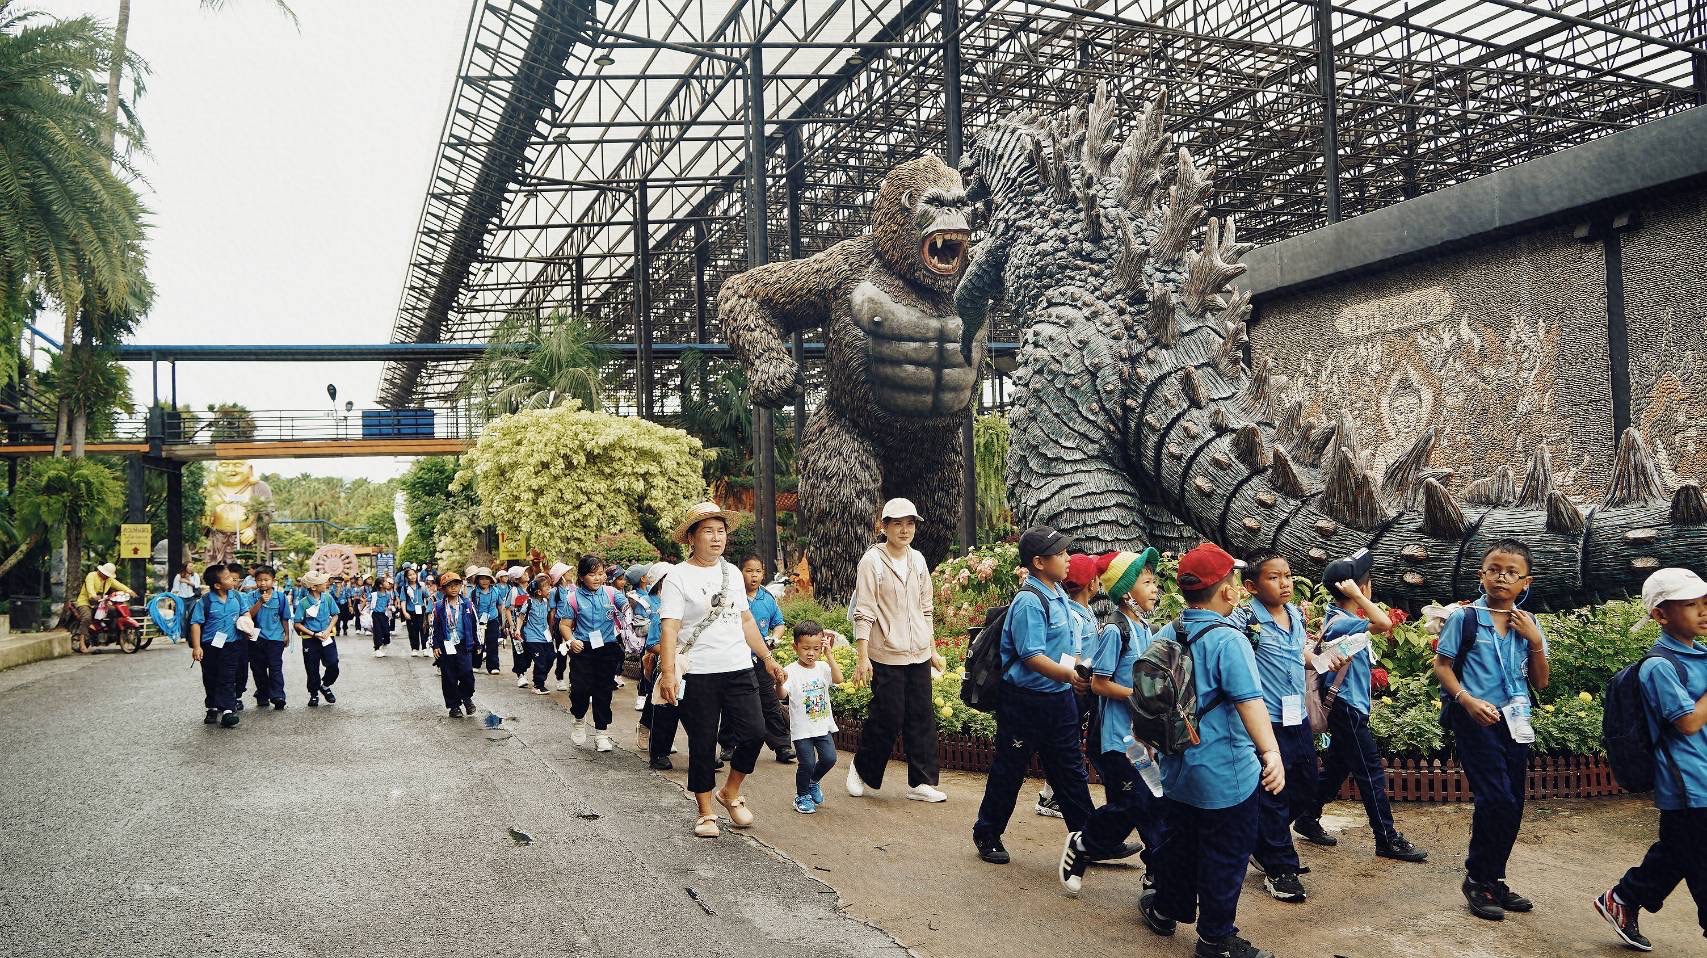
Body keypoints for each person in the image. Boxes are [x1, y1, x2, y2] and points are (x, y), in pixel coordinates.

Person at [1139, 543, 1285, 958]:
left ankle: (1165, 910)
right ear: (1226, 591)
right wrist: (1271, 753)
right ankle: (1216, 938)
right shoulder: (1229, 640)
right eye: (1233, 580)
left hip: (1176, 769)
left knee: (1180, 845)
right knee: (1226, 854)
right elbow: (1249, 703)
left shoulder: (1165, 633)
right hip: (1226, 774)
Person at [1433, 538, 1549, 921]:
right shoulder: (1465, 618)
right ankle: (1477, 879)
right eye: (1494, 570)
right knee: (1495, 797)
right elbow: (1442, 666)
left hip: (1515, 721)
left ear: (1526, 582)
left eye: (1512, 572)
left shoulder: (1529, 623)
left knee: (1513, 802)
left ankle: (1495, 880)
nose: (1502, 577)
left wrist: (1535, 641)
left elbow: (1541, 681)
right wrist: (1465, 699)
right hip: (1476, 719)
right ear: (1481, 576)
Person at [655, 502, 786, 838]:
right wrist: (668, 673)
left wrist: (767, 658)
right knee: (703, 742)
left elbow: (746, 620)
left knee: (755, 732)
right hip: (699, 672)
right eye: (708, 532)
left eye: (721, 531)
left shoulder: (731, 573)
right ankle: (705, 811)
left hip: (739, 667)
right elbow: (669, 627)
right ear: (691, 538)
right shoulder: (678, 577)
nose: (717, 538)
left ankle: (730, 791)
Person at [1595, 567, 1707, 952]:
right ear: (1661, 615)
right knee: (1698, 862)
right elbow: (1688, 722)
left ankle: (1623, 898)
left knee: (1677, 852)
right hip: (1688, 785)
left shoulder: (1701, 655)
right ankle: (1623, 897)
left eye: (1705, 601)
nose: (1703, 610)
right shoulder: (1660, 666)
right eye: (1690, 604)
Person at [1224, 551, 1345, 903]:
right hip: (1265, 723)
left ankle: (1263, 842)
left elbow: (1297, 651)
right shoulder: (1245, 621)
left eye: (1287, 575)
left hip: (1297, 717)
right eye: (1274, 577)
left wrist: (1319, 659)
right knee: (1274, 796)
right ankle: (1281, 869)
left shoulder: (1293, 613)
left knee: (1305, 787)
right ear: (1251, 586)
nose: (1285, 583)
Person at [1296, 548, 1428, 865]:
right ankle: (1387, 838)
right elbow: (1384, 623)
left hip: (1348, 707)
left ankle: (1307, 817)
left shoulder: (1341, 618)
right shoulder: (1343, 623)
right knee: (1371, 774)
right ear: (1360, 587)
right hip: (1346, 709)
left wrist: (1356, 596)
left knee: (1337, 768)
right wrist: (1358, 595)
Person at [972, 526, 1096, 865]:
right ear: (1039, 562)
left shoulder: (1058, 594)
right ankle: (987, 833)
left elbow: (1064, 648)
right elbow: (1032, 656)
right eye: (1060, 553)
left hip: (1058, 699)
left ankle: (1090, 839)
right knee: (1010, 769)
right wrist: (1070, 676)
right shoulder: (1029, 601)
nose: (1068, 558)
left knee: (1070, 771)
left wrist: (1074, 673)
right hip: (1024, 702)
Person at [1059, 548, 1164, 896]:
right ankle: (1084, 843)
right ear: (1126, 591)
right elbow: (1099, 684)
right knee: (1134, 805)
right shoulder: (1115, 631)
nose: (1155, 588)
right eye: (1146, 582)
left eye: (1154, 581)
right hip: (1118, 741)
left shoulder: (1144, 628)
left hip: (1144, 739)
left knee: (1152, 804)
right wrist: (1139, 694)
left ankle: (1156, 875)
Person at [848, 498, 946, 804]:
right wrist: (862, 657)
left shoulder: (918, 560)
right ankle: (861, 768)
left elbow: (926, 608)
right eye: (898, 524)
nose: (905, 530)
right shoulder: (872, 561)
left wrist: (932, 649)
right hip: (886, 653)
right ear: (884, 527)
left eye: (910, 524)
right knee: (888, 716)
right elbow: (864, 611)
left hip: (918, 653)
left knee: (921, 717)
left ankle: (921, 782)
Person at [719, 555, 794, 765]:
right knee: (732, 702)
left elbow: (779, 623)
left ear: (763, 574)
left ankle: (782, 746)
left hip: (761, 659)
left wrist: (775, 638)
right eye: (749, 571)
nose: (754, 575)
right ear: (740, 572)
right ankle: (728, 744)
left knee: (769, 701)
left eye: (758, 571)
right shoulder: (731, 596)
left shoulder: (768, 598)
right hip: (735, 658)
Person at [559, 555, 629, 752]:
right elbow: (564, 625)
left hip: (607, 649)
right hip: (583, 649)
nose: (598, 578)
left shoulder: (611, 593)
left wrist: (632, 606)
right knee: (580, 690)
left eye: (600, 573)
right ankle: (579, 718)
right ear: (582, 577)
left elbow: (627, 606)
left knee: (603, 692)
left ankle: (601, 734)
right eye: (592, 574)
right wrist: (571, 641)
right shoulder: (572, 598)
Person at [781, 621, 845, 814]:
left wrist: (829, 655)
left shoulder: (823, 667)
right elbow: (781, 695)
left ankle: (813, 781)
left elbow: (839, 679)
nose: (811, 653)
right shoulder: (791, 670)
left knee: (829, 758)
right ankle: (801, 795)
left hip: (822, 726)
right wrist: (778, 682)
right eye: (806, 648)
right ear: (795, 647)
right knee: (807, 763)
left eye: (816, 649)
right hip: (802, 729)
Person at [188, 563, 243, 727]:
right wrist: (197, 647)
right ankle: (212, 708)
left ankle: (228, 710)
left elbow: (245, 612)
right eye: (227, 578)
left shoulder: (237, 597)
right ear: (217, 585)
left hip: (232, 645)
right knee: (210, 677)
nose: (232, 579)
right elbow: (196, 623)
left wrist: (247, 624)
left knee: (228, 677)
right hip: (209, 646)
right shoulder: (205, 601)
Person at [640, 562, 681, 770]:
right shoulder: (661, 611)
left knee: (693, 708)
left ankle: (704, 752)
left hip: (690, 666)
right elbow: (652, 643)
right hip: (667, 666)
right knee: (664, 705)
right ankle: (659, 751)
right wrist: (672, 653)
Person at [244, 565, 293, 710]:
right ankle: (263, 694)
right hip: (255, 638)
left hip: (275, 638)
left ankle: (278, 696)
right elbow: (248, 616)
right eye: (259, 580)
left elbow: (284, 617)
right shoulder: (251, 597)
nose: (263, 583)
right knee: (258, 668)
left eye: (266, 580)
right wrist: (260, 602)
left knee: (275, 667)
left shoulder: (280, 597)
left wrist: (287, 635)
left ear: (273, 580)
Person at [432, 570, 479, 718]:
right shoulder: (439, 606)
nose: (453, 588)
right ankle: (454, 706)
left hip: (464, 645)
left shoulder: (467, 604)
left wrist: (478, 643)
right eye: (449, 585)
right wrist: (435, 645)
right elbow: (434, 627)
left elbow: (475, 624)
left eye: (456, 585)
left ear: (461, 586)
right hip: (446, 646)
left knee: (467, 674)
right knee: (449, 677)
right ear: (443, 589)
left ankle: (466, 697)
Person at [294, 571, 341, 708]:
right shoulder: (303, 603)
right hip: (310, 639)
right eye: (323, 582)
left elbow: (335, 615)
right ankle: (313, 694)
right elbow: (297, 623)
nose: (326, 583)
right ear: (314, 587)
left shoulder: (328, 598)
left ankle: (325, 686)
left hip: (327, 637)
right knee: (312, 668)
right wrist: (313, 634)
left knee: (333, 664)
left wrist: (327, 630)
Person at [72, 562, 130, 654]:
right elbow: (90, 588)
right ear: (101, 571)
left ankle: (111, 634)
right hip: (85, 602)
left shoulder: (109, 580)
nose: (107, 577)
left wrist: (130, 592)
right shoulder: (91, 576)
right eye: (106, 574)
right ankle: (82, 643)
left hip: (100, 602)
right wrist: (93, 596)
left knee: (114, 610)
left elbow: (120, 585)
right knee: (87, 618)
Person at [514, 574, 555, 694]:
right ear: (539, 592)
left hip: (545, 637)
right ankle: (538, 685)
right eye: (547, 588)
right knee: (540, 661)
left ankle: (538, 679)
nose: (550, 590)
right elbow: (521, 616)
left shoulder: (546, 602)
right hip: (532, 637)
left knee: (551, 657)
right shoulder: (529, 602)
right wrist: (518, 629)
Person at [471, 568, 506, 676]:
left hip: (493, 620)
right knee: (479, 643)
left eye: (487, 578)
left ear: (491, 580)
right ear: (477, 580)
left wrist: (503, 620)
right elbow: (470, 607)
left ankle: (493, 666)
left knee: (493, 643)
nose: (484, 581)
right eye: (481, 579)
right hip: (478, 621)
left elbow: (500, 605)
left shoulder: (495, 591)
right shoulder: (474, 592)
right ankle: (475, 664)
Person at [402, 568, 429, 657]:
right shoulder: (405, 588)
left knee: (424, 629)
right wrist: (404, 612)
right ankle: (414, 648)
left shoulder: (421, 585)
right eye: (410, 575)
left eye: (413, 574)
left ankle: (425, 648)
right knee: (412, 631)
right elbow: (403, 600)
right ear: (406, 577)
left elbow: (427, 597)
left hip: (421, 610)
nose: (412, 576)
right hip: (410, 611)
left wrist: (430, 610)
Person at [370, 576, 395, 656]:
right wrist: (361, 611)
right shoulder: (374, 594)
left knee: (386, 632)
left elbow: (388, 604)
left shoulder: (388, 594)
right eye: (386, 582)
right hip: (376, 614)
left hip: (384, 615)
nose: (388, 583)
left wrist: (391, 607)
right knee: (377, 632)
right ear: (381, 585)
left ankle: (385, 643)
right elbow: (367, 601)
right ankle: (377, 648)